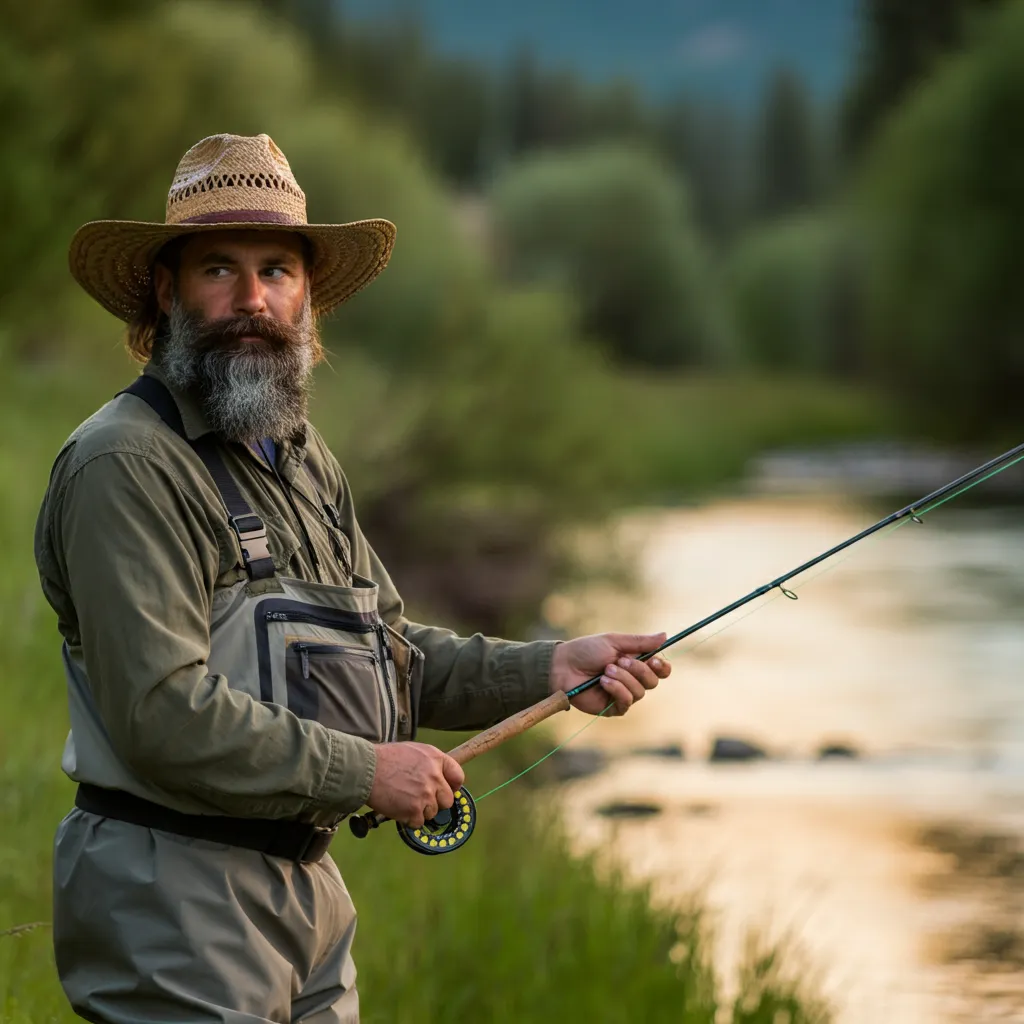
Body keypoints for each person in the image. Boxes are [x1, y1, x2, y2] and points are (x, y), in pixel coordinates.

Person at [34, 133, 672, 1024]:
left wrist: (550, 669)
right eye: (219, 269)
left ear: (307, 299)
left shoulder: (300, 456)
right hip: (170, 889)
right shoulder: (125, 465)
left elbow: (389, 656)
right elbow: (160, 714)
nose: (251, 300)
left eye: (277, 271)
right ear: (165, 289)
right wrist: (368, 770)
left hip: (307, 894)